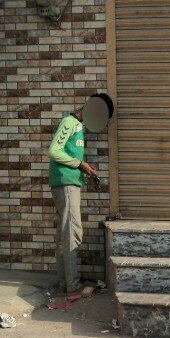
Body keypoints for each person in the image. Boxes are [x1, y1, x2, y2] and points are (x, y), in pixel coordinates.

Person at [47, 105, 98, 294]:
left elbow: (67, 153)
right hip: (66, 184)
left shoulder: (76, 125)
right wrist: (80, 164)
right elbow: (54, 151)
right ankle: (73, 285)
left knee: (64, 234)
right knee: (72, 232)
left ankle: (65, 283)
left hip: (67, 182)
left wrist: (83, 166)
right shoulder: (70, 122)